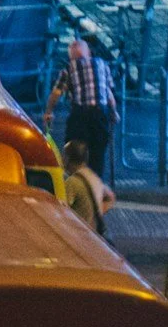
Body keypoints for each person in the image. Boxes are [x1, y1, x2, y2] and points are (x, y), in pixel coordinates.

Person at [50, 35, 118, 174]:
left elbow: (56, 93)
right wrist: (114, 112)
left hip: (80, 115)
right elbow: (109, 94)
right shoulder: (103, 65)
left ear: (71, 57)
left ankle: (75, 184)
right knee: (97, 154)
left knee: (74, 153)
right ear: (88, 53)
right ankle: (95, 188)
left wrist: (48, 111)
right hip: (100, 113)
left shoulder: (68, 69)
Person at [64, 139, 115, 234]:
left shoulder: (72, 182)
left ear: (68, 159)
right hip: (93, 234)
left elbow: (61, 210)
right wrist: (97, 213)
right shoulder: (94, 177)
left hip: (79, 234)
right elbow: (111, 197)